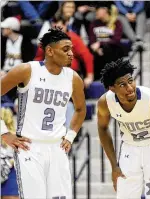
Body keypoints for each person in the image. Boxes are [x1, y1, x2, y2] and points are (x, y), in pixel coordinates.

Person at [1, 27, 87, 198]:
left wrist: (70, 136)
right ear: (49, 51)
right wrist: (4, 132)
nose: (71, 53)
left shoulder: (73, 78)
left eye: (71, 49)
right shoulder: (27, 70)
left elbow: (80, 109)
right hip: (29, 148)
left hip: (57, 148)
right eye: (65, 49)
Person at [97, 58, 150, 199]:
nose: (129, 88)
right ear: (112, 88)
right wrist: (114, 166)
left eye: (130, 81)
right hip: (129, 150)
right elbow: (102, 128)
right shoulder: (105, 103)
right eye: (122, 85)